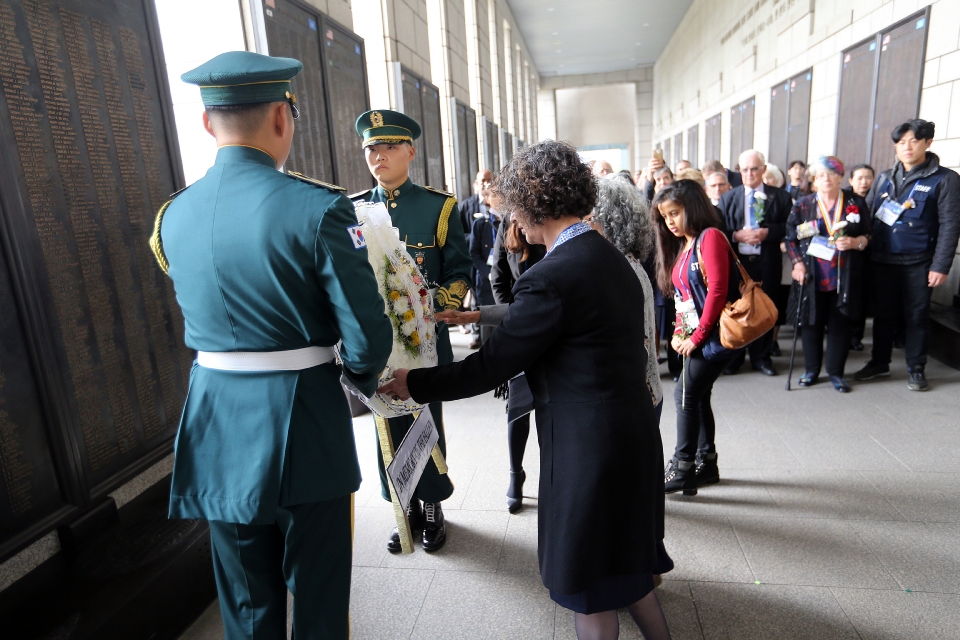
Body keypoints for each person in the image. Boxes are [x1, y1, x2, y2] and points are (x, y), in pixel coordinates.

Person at [379, 140, 672, 640]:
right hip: (633, 437)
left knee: (590, 590)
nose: (513, 218)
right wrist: (472, 315)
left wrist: (414, 383)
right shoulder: (611, 258)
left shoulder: (552, 275)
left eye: (515, 206)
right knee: (630, 572)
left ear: (533, 203)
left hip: (588, 453)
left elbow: (489, 367)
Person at [151, 51, 393, 640]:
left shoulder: (172, 216)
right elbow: (366, 336)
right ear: (283, 118)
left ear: (208, 125)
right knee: (317, 596)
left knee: (246, 604)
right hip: (304, 421)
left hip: (214, 423)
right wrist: (361, 379)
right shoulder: (321, 210)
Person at [350, 109, 473, 551]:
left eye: (387, 147)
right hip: (377, 345)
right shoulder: (353, 211)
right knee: (385, 425)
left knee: (425, 419)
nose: (377, 156)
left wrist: (435, 307)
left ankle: (433, 505)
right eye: (371, 149)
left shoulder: (438, 207)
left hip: (424, 344)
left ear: (410, 152)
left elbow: (460, 270)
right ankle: (404, 505)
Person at [436, 211, 547, 512]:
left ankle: (552, 478)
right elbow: (497, 276)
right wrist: (513, 320)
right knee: (518, 407)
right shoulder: (507, 227)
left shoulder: (549, 227)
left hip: (551, 329)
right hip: (517, 327)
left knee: (551, 410)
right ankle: (516, 474)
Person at [854, 119, 960, 391]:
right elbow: (867, 216)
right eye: (901, 142)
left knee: (916, 316)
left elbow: (951, 225)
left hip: (920, 262)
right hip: (882, 260)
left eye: (913, 141)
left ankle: (916, 367)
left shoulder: (945, 179)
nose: (907, 147)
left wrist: (941, 266)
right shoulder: (884, 177)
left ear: (927, 142)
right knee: (884, 315)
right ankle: (879, 362)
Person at [785, 157, 871, 392]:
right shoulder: (803, 204)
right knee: (811, 324)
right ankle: (811, 370)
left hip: (843, 274)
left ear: (840, 177)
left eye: (831, 174)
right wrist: (797, 264)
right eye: (821, 175)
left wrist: (855, 242)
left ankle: (836, 373)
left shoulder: (855, 202)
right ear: (814, 179)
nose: (826, 179)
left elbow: (869, 236)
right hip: (811, 274)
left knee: (840, 324)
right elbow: (790, 238)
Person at [587, 177, 664, 419]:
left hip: (636, 401)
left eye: (588, 219)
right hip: (646, 394)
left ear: (608, 222)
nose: (583, 226)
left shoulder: (617, 270)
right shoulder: (628, 262)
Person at [717, 149, 792, 376]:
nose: (749, 173)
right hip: (739, 263)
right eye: (745, 169)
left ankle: (762, 357)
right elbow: (718, 230)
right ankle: (736, 358)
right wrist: (736, 235)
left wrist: (768, 233)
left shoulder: (780, 197)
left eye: (754, 168)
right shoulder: (728, 198)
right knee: (738, 308)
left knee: (765, 308)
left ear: (763, 170)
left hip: (767, 260)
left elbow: (790, 227)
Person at [458, 170, 493, 347]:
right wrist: (475, 237)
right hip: (474, 258)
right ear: (475, 184)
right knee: (475, 297)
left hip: (492, 261)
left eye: (489, 180)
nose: (485, 184)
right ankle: (476, 334)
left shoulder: (499, 209)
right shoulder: (467, 205)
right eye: (482, 181)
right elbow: (457, 233)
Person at [468, 182, 502, 344]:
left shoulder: (506, 223)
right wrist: (487, 272)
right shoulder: (480, 224)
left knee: (503, 319)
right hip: (485, 279)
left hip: (503, 279)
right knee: (487, 321)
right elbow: (473, 252)